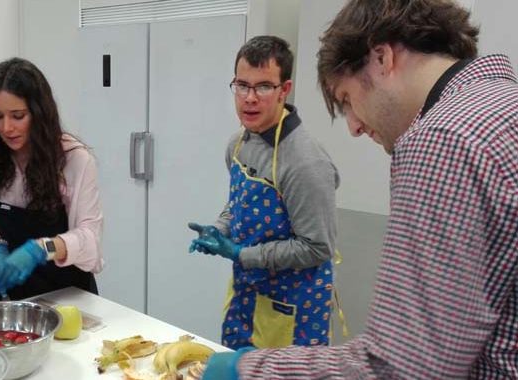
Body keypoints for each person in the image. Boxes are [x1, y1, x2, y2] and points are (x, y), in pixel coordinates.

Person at [200, 0, 518, 379]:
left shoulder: (440, 141)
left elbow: (400, 367)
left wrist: (248, 369)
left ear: (382, 58)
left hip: (293, 306)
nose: (353, 127)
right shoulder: (500, 105)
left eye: (348, 100)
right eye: (242, 86)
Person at [188, 35, 340, 351]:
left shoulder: (305, 162)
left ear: (284, 90)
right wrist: (220, 230)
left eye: (263, 87)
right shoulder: (238, 144)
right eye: (242, 85)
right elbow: (238, 205)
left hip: (293, 309)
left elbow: (316, 247)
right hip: (247, 293)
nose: (250, 98)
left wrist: (243, 254)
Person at [0, 57, 103, 301]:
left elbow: (90, 238)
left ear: (39, 113)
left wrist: (42, 249)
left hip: (71, 297)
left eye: (18, 116)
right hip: (14, 301)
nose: (7, 128)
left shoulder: (74, 160)